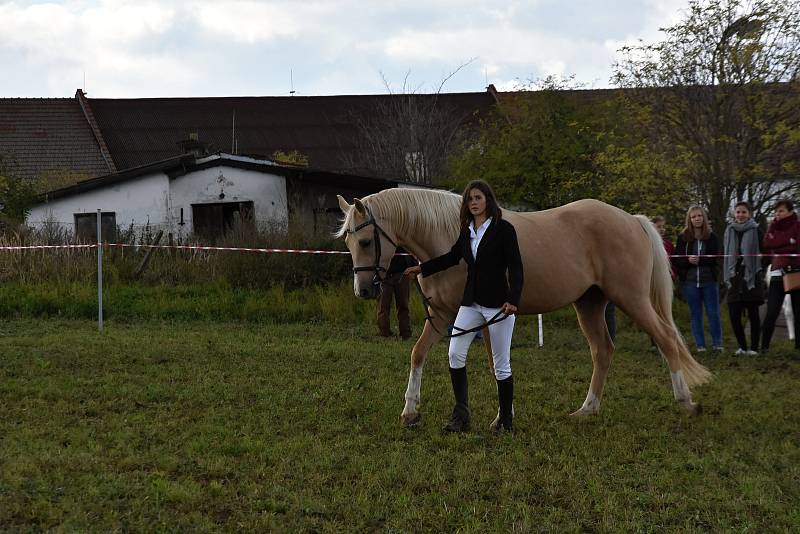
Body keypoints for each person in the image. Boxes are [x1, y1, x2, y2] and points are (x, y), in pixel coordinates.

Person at [404, 180, 523, 433]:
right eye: (470, 199)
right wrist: (422, 268)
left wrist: (513, 299)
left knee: (501, 365)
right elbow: (451, 257)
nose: (474, 203)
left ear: (488, 200)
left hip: (497, 306)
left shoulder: (504, 230)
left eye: (478, 198)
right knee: (455, 353)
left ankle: (506, 420)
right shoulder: (467, 230)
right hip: (471, 303)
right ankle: (461, 415)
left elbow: (516, 267)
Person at [673, 206, 723, 352]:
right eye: (694, 217)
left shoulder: (712, 237)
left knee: (713, 313)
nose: (697, 219)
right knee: (695, 314)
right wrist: (688, 260)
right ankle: (700, 345)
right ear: (690, 219)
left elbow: (716, 258)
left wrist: (700, 260)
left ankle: (717, 344)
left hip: (709, 282)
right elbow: (677, 260)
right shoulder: (682, 238)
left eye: (699, 216)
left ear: (704, 218)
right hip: (690, 282)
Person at [723, 202, 764, 355]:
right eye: (738, 212)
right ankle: (742, 346)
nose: (740, 215)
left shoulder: (756, 230)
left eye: (743, 212)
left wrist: (757, 264)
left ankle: (753, 348)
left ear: (749, 214)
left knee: (753, 314)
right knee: (734, 314)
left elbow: (764, 251)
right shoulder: (729, 230)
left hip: (750, 275)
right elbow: (724, 252)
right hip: (734, 276)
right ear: (734, 213)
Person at [760, 199, 800, 353]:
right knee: (772, 311)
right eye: (776, 211)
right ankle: (764, 347)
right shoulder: (773, 226)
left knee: (798, 312)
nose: (778, 214)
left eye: (781, 210)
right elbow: (767, 244)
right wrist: (787, 242)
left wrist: (778, 243)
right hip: (777, 271)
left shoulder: (797, 225)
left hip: (796, 271)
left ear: (790, 211)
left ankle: (798, 347)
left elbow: (796, 245)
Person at [377, 248, 416, 339]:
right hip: (384, 276)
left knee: (403, 305)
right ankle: (384, 332)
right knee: (383, 306)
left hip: (402, 274)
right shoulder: (382, 239)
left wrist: (413, 267)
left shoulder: (400, 238)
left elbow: (409, 251)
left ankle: (405, 333)